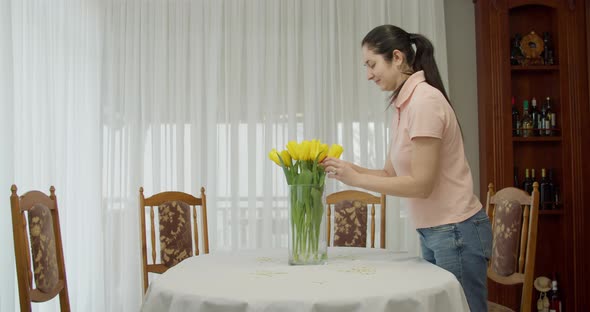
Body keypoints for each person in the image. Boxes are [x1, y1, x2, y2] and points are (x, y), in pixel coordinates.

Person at [321, 24, 492, 312]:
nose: (368, 74)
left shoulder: (424, 101)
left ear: (397, 58)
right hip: (436, 231)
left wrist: (356, 180)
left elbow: (420, 185)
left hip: (455, 231)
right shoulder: (404, 104)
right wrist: (349, 168)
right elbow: (391, 175)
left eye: (371, 64)